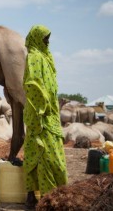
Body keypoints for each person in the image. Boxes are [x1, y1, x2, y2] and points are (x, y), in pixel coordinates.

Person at [22, 25, 68, 208]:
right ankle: (38, 196)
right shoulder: (33, 57)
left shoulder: (46, 58)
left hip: (51, 116)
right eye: (44, 38)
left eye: (48, 38)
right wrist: (43, 105)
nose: (47, 42)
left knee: (52, 156)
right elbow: (32, 84)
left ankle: (52, 194)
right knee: (42, 155)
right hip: (40, 116)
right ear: (36, 39)